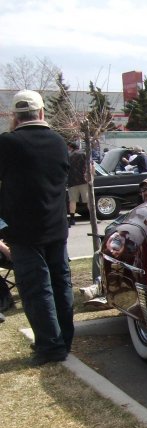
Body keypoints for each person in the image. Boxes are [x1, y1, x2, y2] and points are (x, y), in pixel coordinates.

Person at [0, 90, 74, 365]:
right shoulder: (57, 141)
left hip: (22, 231)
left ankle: (50, 346)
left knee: (36, 288)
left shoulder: (8, 142)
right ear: (42, 113)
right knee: (60, 283)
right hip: (56, 226)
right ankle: (64, 340)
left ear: (15, 117)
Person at [66, 140, 93, 226]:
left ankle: (72, 219)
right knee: (88, 200)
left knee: (72, 201)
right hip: (84, 180)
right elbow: (91, 165)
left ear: (70, 147)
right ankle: (92, 218)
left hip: (72, 181)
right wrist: (91, 177)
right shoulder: (84, 154)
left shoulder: (68, 156)